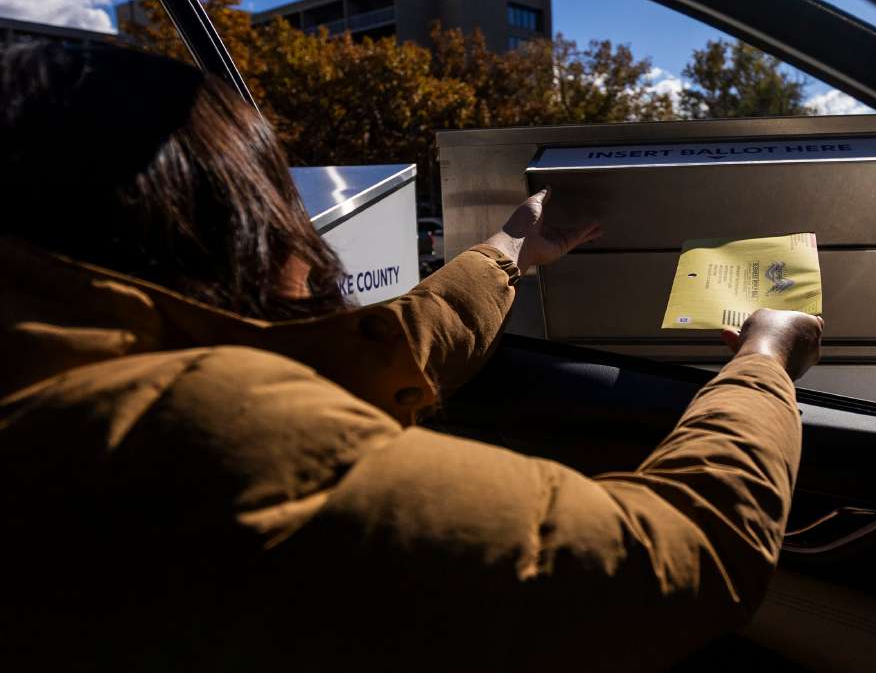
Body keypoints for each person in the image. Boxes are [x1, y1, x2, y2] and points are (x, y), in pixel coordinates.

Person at [0, 42, 823, 672]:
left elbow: (369, 357)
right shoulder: (195, 433)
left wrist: (506, 250)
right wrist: (763, 362)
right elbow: (679, 558)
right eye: (266, 186)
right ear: (203, 223)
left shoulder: (62, 370)